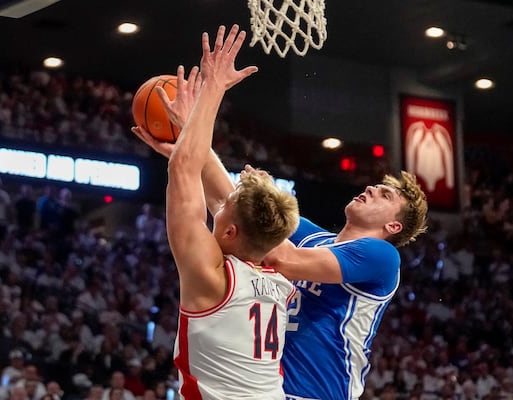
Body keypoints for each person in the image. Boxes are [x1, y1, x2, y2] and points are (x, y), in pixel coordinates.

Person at [134, 27, 428, 400]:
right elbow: (240, 215)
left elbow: (276, 253)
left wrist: (205, 164)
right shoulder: (315, 238)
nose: (370, 188)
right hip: (267, 388)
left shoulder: (382, 257)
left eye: (384, 194)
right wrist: (190, 138)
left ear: (393, 225)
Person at [132, 25, 300, 400]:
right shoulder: (279, 279)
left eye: (222, 209)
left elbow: (185, 169)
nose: (217, 204)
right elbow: (197, 174)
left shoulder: (211, 276)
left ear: (229, 233)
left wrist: (214, 88)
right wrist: (188, 138)